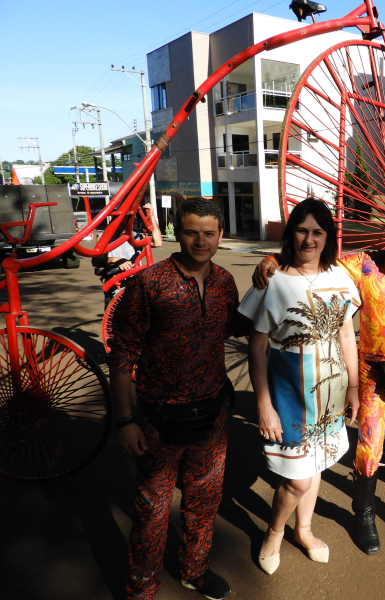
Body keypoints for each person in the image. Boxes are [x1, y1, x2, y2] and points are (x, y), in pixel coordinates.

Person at [252, 208, 385, 555]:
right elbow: (315, 259)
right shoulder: (363, 265)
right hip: (372, 372)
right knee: (369, 445)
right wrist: (273, 258)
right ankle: (364, 513)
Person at [108, 197, 243, 600]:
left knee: (204, 503)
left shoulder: (224, 282)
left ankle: (194, 570)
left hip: (211, 417)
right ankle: (141, 588)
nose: (200, 241)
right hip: (157, 420)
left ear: (219, 235)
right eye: (190, 232)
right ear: (177, 233)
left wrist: (266, 280)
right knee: (151, 512)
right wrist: (124, 420)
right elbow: (122, 354)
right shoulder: (150, 284)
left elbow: (235, 325)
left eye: (208, 233)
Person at [239, 198, 361, 575]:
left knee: (317, 464)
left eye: (318, 232)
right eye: (302, 230)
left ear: (328, 238)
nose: (309, 239)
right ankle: (275, 533)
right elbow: (257, 349)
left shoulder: (340, 277)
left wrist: (354, 387)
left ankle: (303, 530)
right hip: (289, 392)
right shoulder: (270, 281)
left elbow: (346, 337)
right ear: (291, 233)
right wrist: (263, 405)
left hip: (330, 392)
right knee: (297, 478)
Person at [92, 202, 163, 307]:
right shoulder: (104, 237)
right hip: (116, 287)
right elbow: (95, 260)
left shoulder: (136, 236)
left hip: (136, 286)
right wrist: (114, 259)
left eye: (127, 217)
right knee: (114, 319)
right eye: (121, 217)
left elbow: (158, 242)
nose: (123, 221)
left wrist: (151, 217)